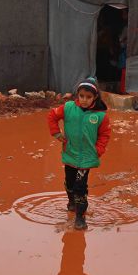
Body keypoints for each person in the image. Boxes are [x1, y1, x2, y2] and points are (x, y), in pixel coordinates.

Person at [46, 78, 111, 230]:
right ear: (78, 95)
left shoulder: (100, 116)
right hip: (70, 154)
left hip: (87, 158)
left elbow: (105, 135)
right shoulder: (68, 108)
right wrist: (56, 133)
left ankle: (80, 218)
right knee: (69, 183)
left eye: (88, 97)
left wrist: (98, 150)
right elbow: (52, 116)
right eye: (82, 96)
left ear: (95, 97)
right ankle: (72, 203)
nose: (84, 100)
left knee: (80, 187)